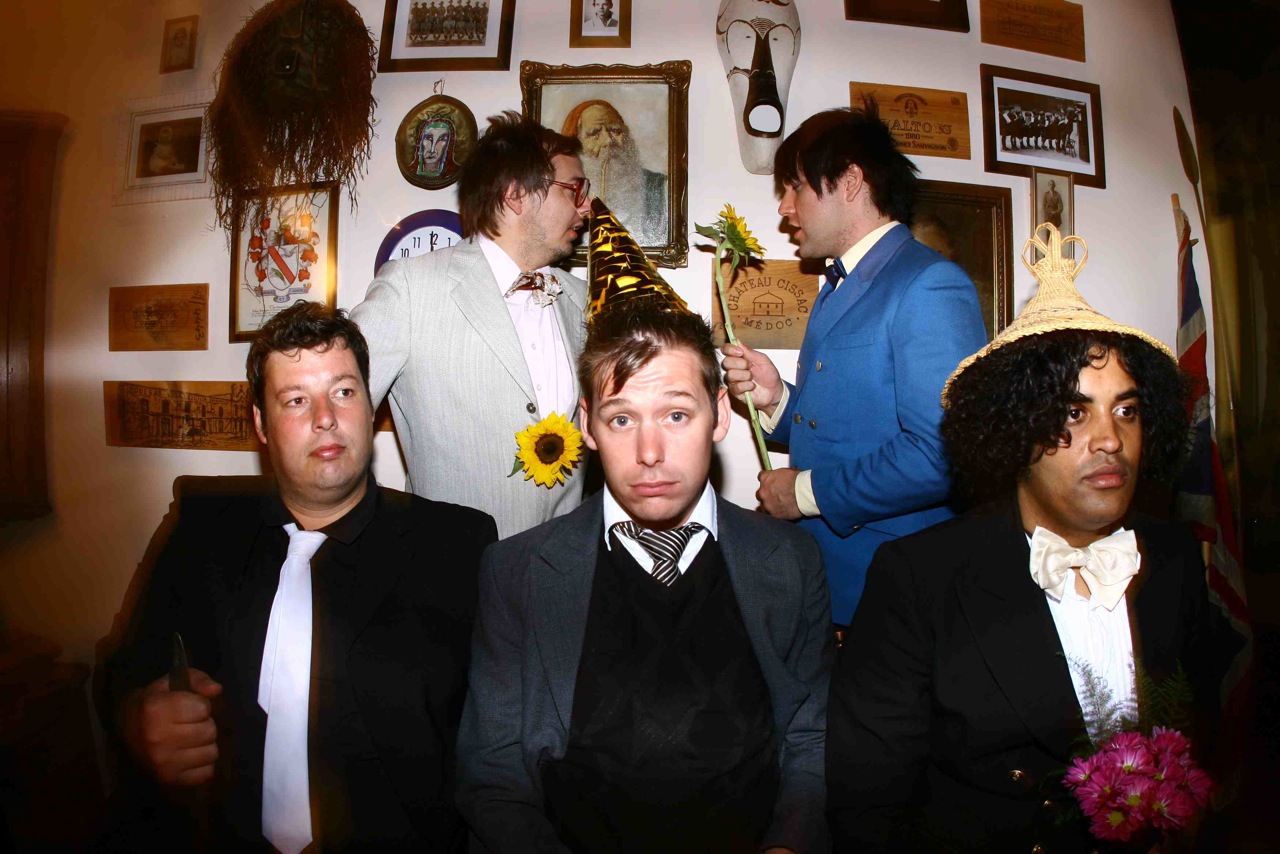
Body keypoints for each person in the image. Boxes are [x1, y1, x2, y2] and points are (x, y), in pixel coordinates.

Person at [826, 225, 1243, 852]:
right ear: (1014, 430)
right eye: (1074, 412)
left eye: (1126, 410)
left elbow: (1197, 734)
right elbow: (868, 809)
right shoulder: (919, 578)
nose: (1110, 439)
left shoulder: (1175, 555)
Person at [98, 302, 497, 851]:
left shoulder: (459, 545)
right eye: (295, 400)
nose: (325, 417)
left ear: (370, 406)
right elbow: (120, 669)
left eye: (344, 391)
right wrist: (136, 720)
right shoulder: (199, 527)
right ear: (261, 425)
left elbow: (504, 741)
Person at [456, 298, 833, 852]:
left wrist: (787, 846)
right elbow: (493, 768)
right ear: (587, 425)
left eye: (676, 415)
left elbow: (812, 736)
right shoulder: (517, 571)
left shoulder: (790, 560)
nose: (649, 453)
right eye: (622, 419)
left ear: (720, 414)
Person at [720, 101, 988, 625]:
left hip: (893, 588)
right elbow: (848, 428)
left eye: (795, 187)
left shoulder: (929, 284)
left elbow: (941, 454)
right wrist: (777, 400)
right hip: (835, 580)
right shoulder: (839, 285)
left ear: (848, 182)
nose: (785, 208)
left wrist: (803, 493)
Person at [351, 111, 592, 539]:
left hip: (562, 564)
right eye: (574, 189)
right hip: (451, 567)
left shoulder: (582, 299)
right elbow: (335, 411)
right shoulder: (411, 289)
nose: (586, 207)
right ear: (517, 194)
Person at [560, 100, 667, 245]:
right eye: (594, 133)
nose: (609, 141)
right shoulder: (564, 194)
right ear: (576, 146)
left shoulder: (661, 188)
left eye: (615, 131)